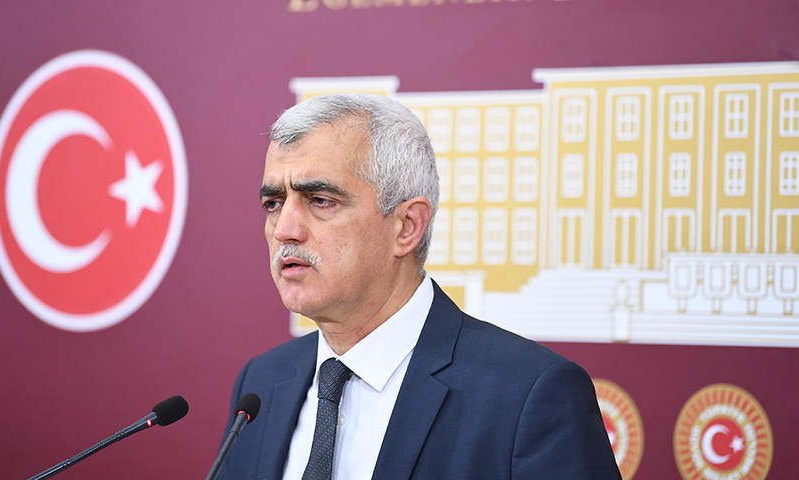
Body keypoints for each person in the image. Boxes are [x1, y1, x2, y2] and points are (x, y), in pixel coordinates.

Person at [215, 94, 621, 479]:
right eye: (273, 203)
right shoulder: (261, 383)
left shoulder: (529, 396)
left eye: (320, 200)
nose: (284, 229)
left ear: (407, 227)